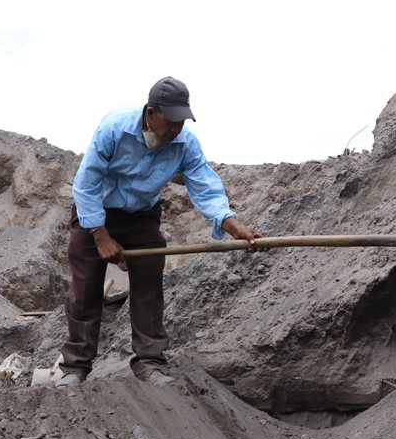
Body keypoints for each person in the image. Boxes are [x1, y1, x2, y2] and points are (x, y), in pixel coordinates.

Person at [56, 76, 259, 388]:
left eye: (182, 121)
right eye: (171, 121)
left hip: (140, 215)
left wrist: (231, 224)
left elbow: (204, 184)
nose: (176, 128)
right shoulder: (114, 128)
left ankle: (150, 362)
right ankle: (75, 367)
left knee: (149, 283)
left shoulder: (184, 142)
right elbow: (86, 183)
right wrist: (100, 235)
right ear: (151, 114)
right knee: (85, 290)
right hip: (95, 213)